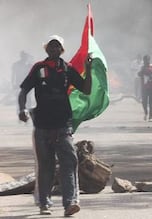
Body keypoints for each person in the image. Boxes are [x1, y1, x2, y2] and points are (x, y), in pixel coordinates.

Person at [17, 35, 92, 216]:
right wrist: (22, 109)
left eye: (57, 46)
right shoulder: (38, 68)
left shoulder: (67, 69)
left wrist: (88, 69)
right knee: (46, 166)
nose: (54, 49)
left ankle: (70, 203)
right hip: (42, 125)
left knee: (69, 162)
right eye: (51, 46)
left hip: (63, 125)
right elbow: (24, 90)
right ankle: (44, 203)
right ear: (46, 49)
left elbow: (86, 89)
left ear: (61, 50)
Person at [138, 55, 152, 122]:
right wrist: (141, 73)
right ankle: (146, 113)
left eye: (147, 60)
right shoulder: (141, 67)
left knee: (151, 102)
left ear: (149, 60)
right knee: (144, 101)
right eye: (145, 60)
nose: (146, 62)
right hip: (144, 87)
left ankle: (150, 117)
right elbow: (138, 74)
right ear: (143, 61)